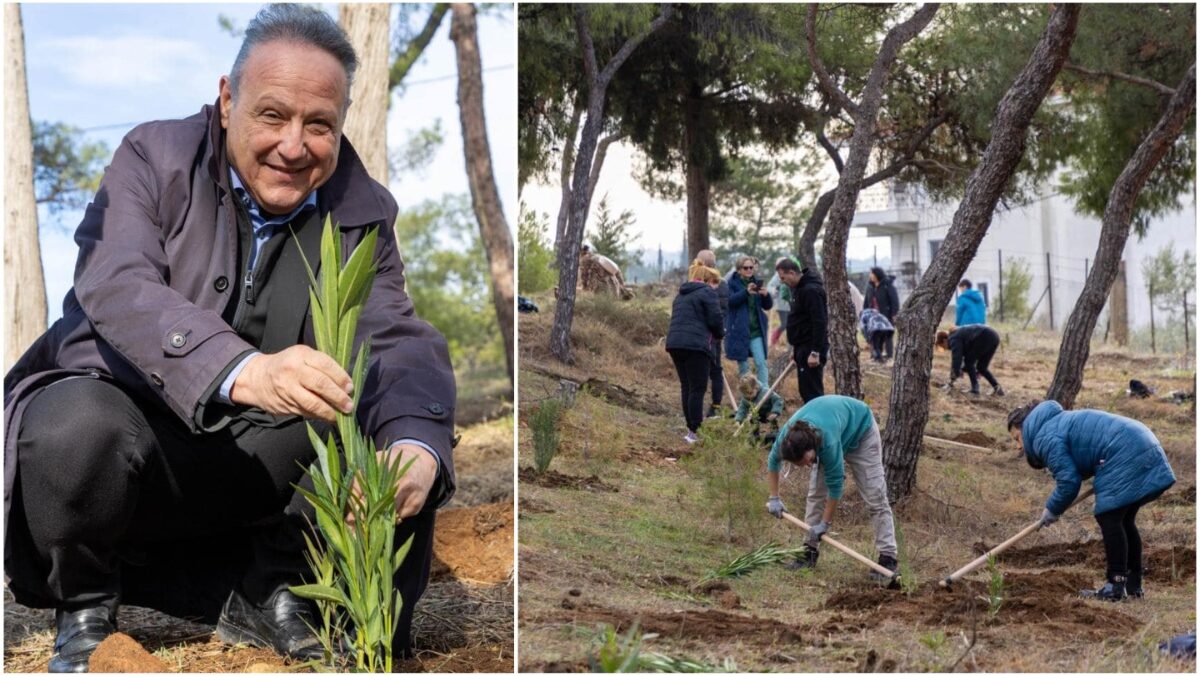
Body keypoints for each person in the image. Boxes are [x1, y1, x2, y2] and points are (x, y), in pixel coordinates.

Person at [3, 6, 456, 671]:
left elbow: (393, 338)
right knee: (72, 425)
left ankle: (281, 592)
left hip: (258, 467)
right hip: (134, 449)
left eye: (319, 124)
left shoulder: (362, 211)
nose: (294, 146)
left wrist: (417, 447)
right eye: (272, 115)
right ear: (226, 99)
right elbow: (117, 283)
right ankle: (89, 609)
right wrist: (241, 369)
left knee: (372, 413)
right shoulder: (153, 156)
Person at [1007, 400, 1176, 601]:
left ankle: (1115, 586)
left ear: (1025, 428)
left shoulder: (1044, 437)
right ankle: (1132, 585)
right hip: (1140, 439)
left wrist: (1052, 509)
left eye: (1017, 438)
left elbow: (1068, 481)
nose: (1018, 447)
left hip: (1123, 450)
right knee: (1123, 520)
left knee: (1109, 517)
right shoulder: (1055, 423)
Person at [765, 395, 898, 578]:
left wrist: (825, 524)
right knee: (815, 494)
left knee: (875, 496)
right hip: (835, 423)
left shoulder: (828, 443)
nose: (808, 465)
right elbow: (773, 462)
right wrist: (774, 498)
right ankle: (808, 552)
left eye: (809, 461)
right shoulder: (786, 438)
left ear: (813, 447)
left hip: (862, 431)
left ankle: (888, 558)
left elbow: (835, 487)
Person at [665, 262, 725, 444]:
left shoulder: (681, 295)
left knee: (687, 387)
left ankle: (690, 429)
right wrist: (720, 333)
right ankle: (696, 430)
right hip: (696, 346)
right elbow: (715, 319)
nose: (716, 286)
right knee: (698, 388)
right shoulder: (708, 292)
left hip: (675, 344)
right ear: (708, 281)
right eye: (715, 282)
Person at [774, 258, 828, 403]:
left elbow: (819, 322)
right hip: (802, 347)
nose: (782, 281)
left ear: (791, 272)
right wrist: (795, 349)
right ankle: (811, 423)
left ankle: (818, 424)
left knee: (813, 392)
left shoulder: (811, 290)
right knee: (805, 390)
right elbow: (799, 319)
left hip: (811, 348)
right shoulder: (798, 289)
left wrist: (815, 352)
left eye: (783, 277)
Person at [725, 256, 773, 391]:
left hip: (756, 331)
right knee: (744, 367)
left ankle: (764, 394)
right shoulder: (732, 283)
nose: (749, 270)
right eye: (745, 268)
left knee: (761, 363)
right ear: (739, 270)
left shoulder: (757, 283)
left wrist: (766, 295)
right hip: (739, 330)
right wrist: (746, 292)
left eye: (751, 267)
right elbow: (730, 302)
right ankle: (747, 396)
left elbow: (767, 306)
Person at [697, 249, 730, 418]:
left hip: (712, 335)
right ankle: (698, 406)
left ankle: (715, 406)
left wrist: (717, 331)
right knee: (701, 371)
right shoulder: (696, 282)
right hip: (699, 334)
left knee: (715, 370)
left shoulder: (720, 284)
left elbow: (720, 311)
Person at [936, 325, 1004, 396]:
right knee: (981, 367)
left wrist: (952, 378)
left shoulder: (953, 338)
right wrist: (960, 370)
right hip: (993, 336)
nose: (945, 349)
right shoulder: (956, 335)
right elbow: (964, 358)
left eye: (943, 347)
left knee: (969, 362)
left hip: (984, 335)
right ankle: (998, 389)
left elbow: (957, 359)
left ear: (944, 340)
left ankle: (975, 390)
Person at [733, 373, 784, 444]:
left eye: (750, 393)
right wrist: (738, 420)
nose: (748, 396)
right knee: (752, 417)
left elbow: (778, 400)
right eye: (745, 394)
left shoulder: (766, 392)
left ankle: (775, 433)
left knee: (772, 419)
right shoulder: (746, 398)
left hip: (769, 412)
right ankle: (755, 434)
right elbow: (742, 409)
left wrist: (775, 412)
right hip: (757, 414)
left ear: (756, 387)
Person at [864, 267, 899, 360]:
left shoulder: (887, 285)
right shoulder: (870, 286)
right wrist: (865, 313)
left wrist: (894, 314)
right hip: (873, 316)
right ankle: (876, 355)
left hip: (886, 315)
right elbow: (866, 301)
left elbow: (894, 301)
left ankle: (889, 356)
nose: (870, 275)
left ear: (876, 274)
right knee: (874, 335)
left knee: (887, 335)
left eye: (871, 273)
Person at [766, 266, 791, 349]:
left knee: (792, 324)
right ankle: (773, 340)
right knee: (784, 324)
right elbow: (769, 287)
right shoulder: (777, 276)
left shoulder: (791, 273)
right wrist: (775, 289)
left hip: (792, 304)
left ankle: (790, 345)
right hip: (782, 305)